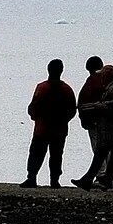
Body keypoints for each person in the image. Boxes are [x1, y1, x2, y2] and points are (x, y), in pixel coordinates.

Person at [22, 59, 78, 187]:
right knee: (56, 155)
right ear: (61, 71)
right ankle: (54, 180)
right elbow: (72, 109)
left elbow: (34, 106)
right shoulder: (67, 89)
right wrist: (64, 121)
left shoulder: (42, 87)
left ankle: (31, 178)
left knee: (36, 154)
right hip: (60, 129)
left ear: (48, 70)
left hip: (42, 128)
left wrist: (34, 116)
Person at [71, 56, 112, 190]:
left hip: (95, 120)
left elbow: (84, 101)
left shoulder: (92, 81)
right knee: (109, 150)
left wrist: (84, 118)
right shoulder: (108, 81)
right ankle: (107, 177)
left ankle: (101, 176)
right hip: (109, 121)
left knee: (98, 148)